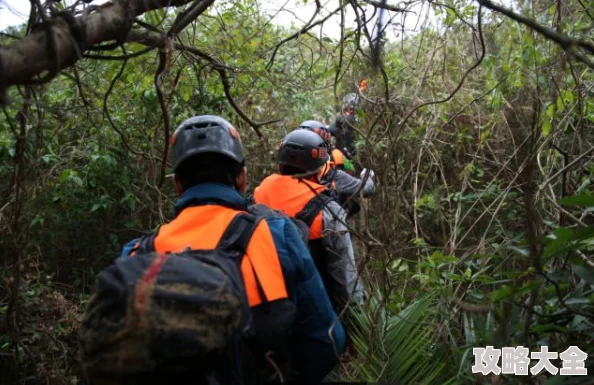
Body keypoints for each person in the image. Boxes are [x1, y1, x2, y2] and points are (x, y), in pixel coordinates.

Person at [78, 115, 345, 385]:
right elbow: (327, 341)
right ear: (242, 178)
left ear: (177, 184)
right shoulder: (276, 233)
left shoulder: (138, 253)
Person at [253, 129, 365, 323]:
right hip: (313, 317)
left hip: (262, 311)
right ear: (319, 169)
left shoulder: (255, 197)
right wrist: (357, 324)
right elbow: (345, 280)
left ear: (281, 165)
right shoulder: (328, 211)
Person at [299, 120, 376, 218]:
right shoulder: (331, 174)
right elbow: (368, 189)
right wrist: (367, 176)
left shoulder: (284, 176)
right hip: (330, 226)